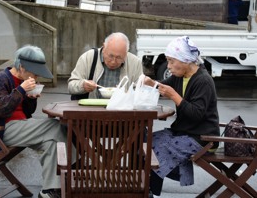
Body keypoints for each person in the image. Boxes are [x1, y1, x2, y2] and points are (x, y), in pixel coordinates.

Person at [0, 45, 66, 198]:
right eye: (35, 73)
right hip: (1, 130)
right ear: (21, 67)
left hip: (20, 126)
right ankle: (74, 163)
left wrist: (30, 98)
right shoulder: (1, 78)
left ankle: (48, 191)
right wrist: (21, 90)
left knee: (50, 143)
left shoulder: (23, 80)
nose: (36, 78)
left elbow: (26, 112)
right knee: (53, 125)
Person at [144, 36, 220, 196]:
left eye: (172, 61)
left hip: (203, 137)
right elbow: (163, 85)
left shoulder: (203, 81)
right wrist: (151, 83)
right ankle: (151, 188)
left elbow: (196, 114)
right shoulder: (181, 76)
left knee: (156, 148)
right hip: (186, 132)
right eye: (168, 61)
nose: (169, 66)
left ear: (186, 60)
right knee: (147, 141)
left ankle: (150, 191)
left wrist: (174, 96)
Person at [68, 32, 143, 99]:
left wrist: (127, 94)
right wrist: (83, 86)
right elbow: (71, 86)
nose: (113, 62)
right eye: (110, 56)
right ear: (104, 47)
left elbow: (139, 93)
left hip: (121, 110)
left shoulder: (135, 63)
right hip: (91, 109)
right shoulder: (88, 57)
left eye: (119, 58)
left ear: (126, 53)